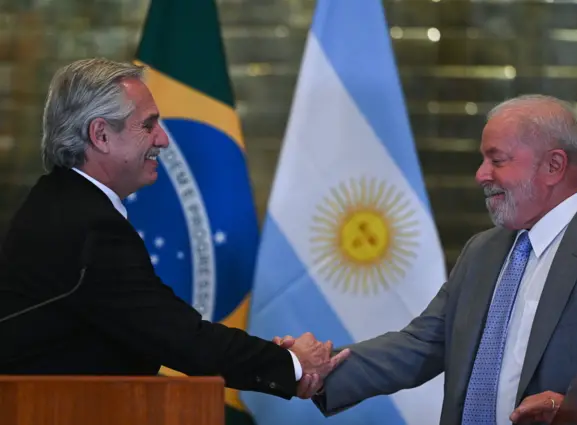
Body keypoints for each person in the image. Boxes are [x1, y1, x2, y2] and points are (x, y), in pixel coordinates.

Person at [274, 94, 577, 424]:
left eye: (497, 160)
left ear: (553, 166)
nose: (481, 175)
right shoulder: (483, 250)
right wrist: (307, 369)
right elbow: (420, 345)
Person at [0, 58, 349, 399]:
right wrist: (293, 365)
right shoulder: (88, 226)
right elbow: (180, 337)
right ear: (101, 134)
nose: (163, 139)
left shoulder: (59, 202)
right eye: (148, 125)